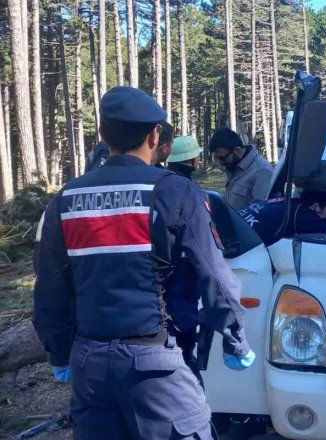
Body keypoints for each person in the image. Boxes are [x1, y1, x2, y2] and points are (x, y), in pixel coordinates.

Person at [32, 86, 255, 440]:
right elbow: (215, 274)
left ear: (103, 135)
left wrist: (59, 353)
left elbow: (50, 286)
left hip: (90, 366)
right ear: (155, 135)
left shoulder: (66, 199)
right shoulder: (174, 190)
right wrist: (235, 338)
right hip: (156, 368)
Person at [163, 135, 205, 382]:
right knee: (185, 334)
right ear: (191, 161)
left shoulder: (160, 186)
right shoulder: (189, 192)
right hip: (183, 271)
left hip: (165, 274)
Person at [238, 192, 326, 247]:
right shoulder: (302, 213)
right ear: (316, 206)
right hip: (243, 243)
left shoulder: (292, 203)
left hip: (237, 228)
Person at [208, 128, 273, 210]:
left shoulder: (262, 171)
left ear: (237, 150)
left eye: (223, 158)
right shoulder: (233, 166)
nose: (221, 162)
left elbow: (260, 210)